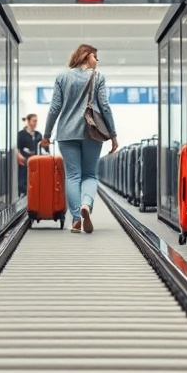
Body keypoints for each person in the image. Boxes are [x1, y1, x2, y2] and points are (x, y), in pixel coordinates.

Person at [40, 44, 118, 234]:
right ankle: (86, 204)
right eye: (95, 57)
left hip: (66, 134)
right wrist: (113, 135)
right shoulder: (98, 77)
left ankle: (76, 219)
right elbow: (105, 107)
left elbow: (54, 108)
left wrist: (46, 135)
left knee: (73, 176)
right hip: (91, 132)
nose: (97, 61)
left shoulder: (62, 77)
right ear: (86, 56)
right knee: (89, 174)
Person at [16, 113, 48, 196]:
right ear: (29, 121)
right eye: (34, 121)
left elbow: (44, 148)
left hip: (36, 160)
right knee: (23, 179)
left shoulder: (38, 135)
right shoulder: (21, 134)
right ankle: (23, 194)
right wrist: (19, 156)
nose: (35, 123)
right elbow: (17, 148)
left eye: (36, 121)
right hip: (24, 160)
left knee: (35, 179)